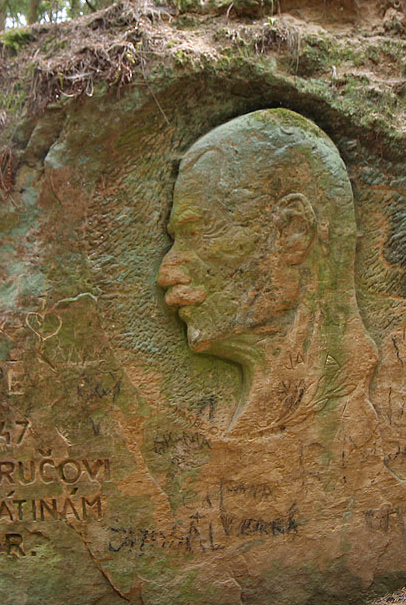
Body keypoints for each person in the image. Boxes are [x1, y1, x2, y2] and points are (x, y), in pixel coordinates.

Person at [156, 109, 378, 444]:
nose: (166, 273)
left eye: (197, 232)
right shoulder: (277, 416)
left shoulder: (345, 420)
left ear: (293, 232)